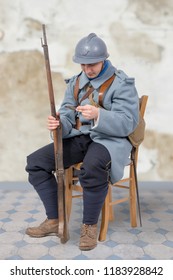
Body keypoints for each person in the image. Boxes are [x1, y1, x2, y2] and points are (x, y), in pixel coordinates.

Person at [25, 33, 139, 251]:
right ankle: (54, 219)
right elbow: (68, 112)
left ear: (104, 59)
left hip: (109, 140)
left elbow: (128, 123)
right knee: (36, 162)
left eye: (92, 64)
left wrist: (99, 115)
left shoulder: (122, 83)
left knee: (93, 166)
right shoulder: (76, 82)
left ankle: (89, 226)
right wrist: (59, 124)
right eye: (83, 64)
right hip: (80, 138)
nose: (88, 69)